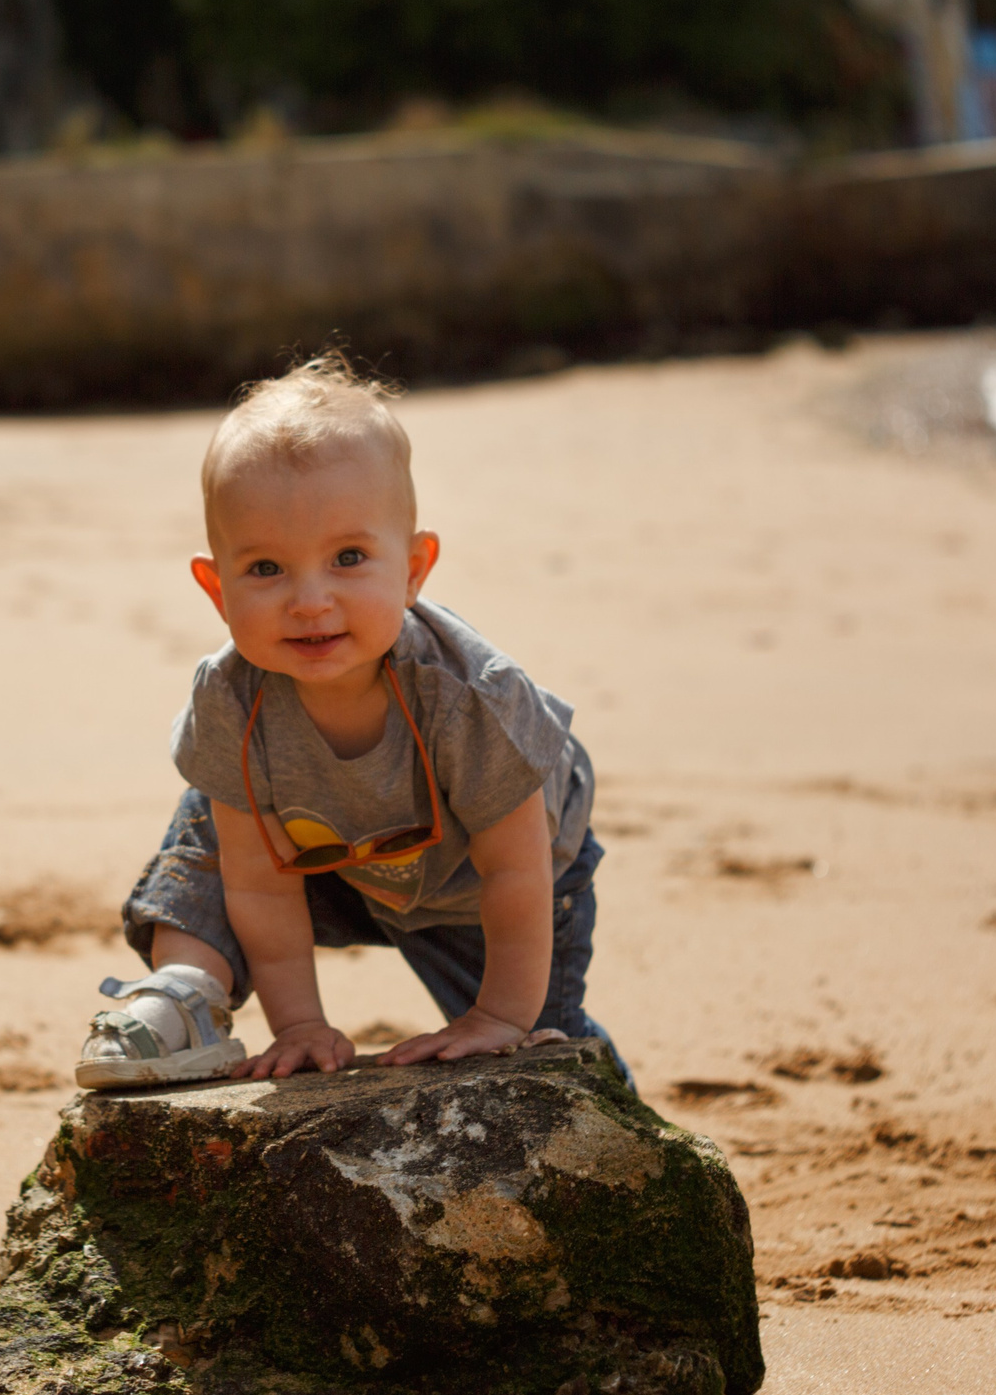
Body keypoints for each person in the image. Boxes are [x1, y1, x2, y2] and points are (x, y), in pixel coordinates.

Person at [74, 354, 612, 1089]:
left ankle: (612, 1116)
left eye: (349, 557)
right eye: (266, 569)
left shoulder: (470, 696)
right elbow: (261, 887)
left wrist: (500, 1016)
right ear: (214, 585)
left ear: (416, 567)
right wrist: (299, 1025)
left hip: (488, 879)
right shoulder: (230, 693)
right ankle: (186, 988)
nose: (310, 599)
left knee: (541, 1050)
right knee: (212, 797)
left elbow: (515, 868)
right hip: (336, 854)